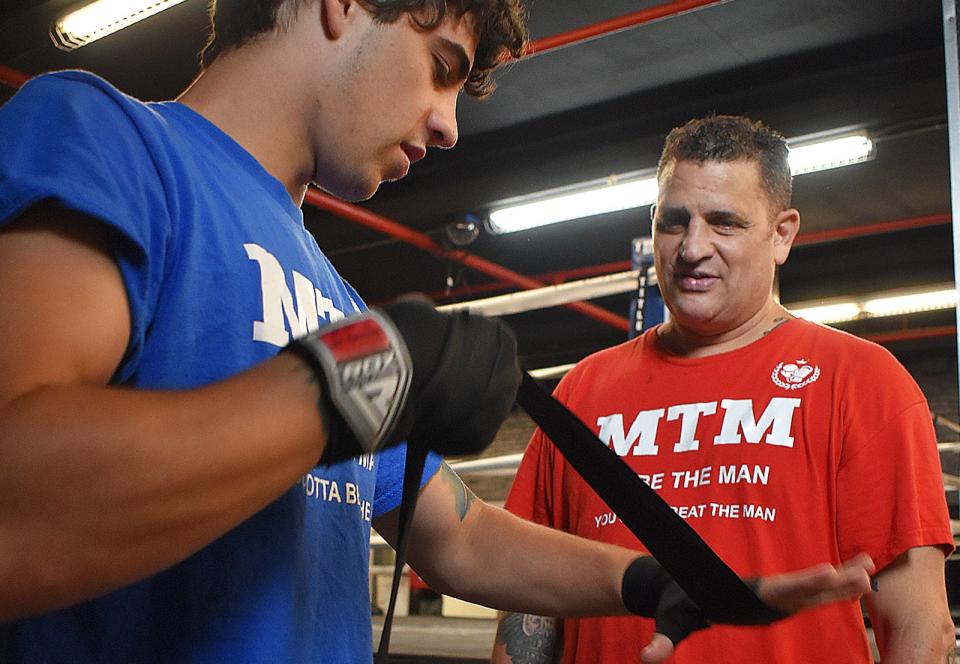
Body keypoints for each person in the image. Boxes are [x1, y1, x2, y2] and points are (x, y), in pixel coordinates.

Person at [0, 2, 877, 660]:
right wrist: (347, 380)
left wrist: (653, 579)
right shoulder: (106, 139)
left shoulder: (333, 294)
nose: (450, 124)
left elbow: (456, 534)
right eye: (440, 65)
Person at [493, 114, 956, 664]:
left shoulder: (860, 382)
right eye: (673, 222)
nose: (692, 248)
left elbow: (919, 626)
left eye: (724, 223)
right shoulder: (580, 392)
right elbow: (528, 610)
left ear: (781, 234)